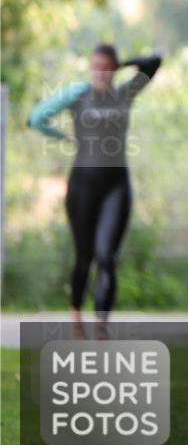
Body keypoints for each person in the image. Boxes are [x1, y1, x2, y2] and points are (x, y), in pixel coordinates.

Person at [28, 44, 161, 339]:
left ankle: (101, 327)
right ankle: (76, 317)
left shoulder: (125, 93)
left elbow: (155, 62)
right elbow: (37, 118)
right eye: (96, 66)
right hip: (82, 186)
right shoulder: (79, 95)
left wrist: (124, 62)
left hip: (116, 187)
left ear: (113, 69)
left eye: (106, 67)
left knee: (107, 256)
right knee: (83, 257)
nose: (100, 72)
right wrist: (61, 137)